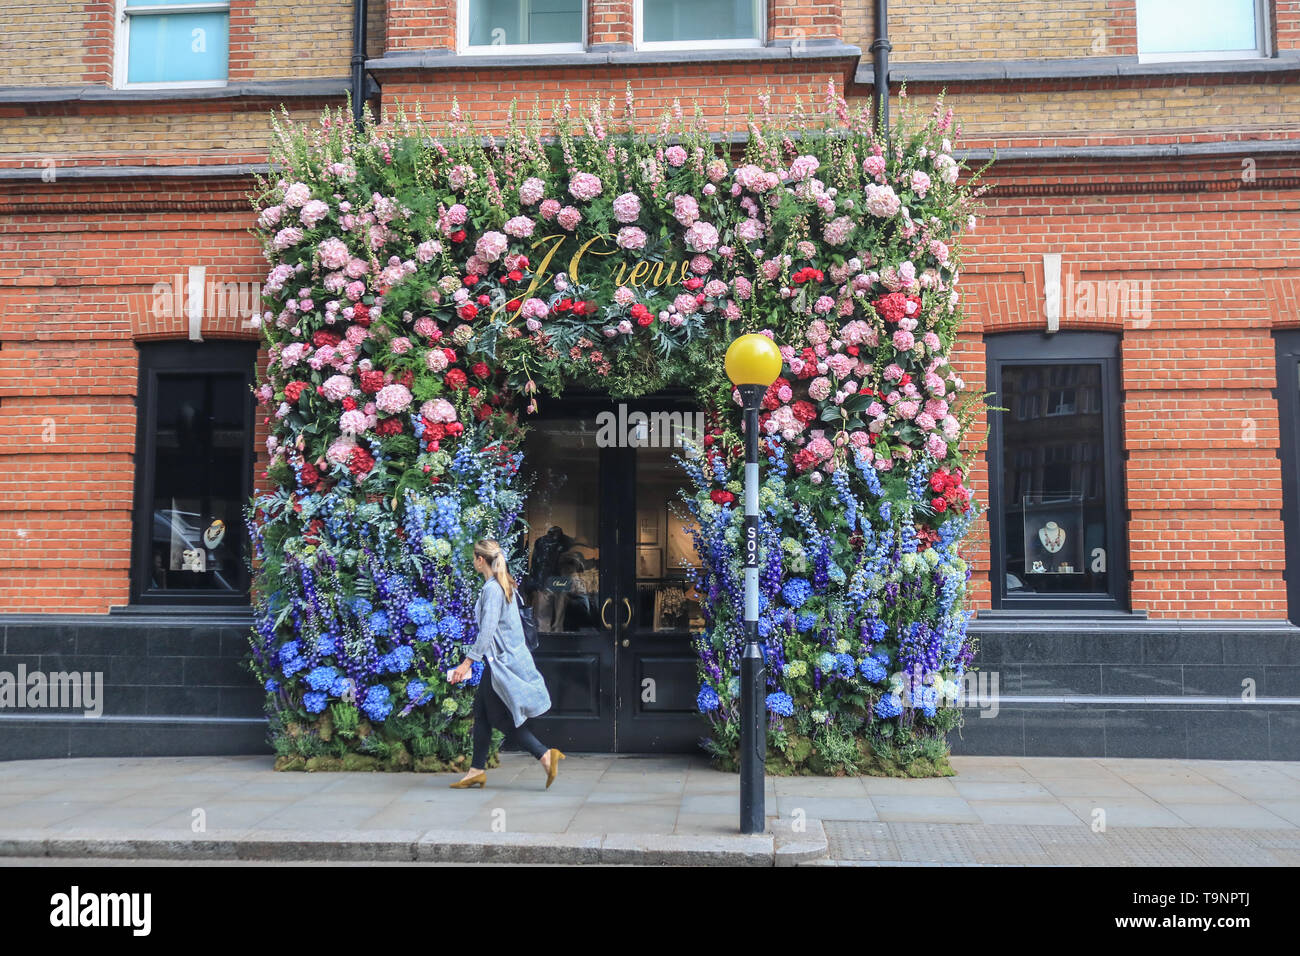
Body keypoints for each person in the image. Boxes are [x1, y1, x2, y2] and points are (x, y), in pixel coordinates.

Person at [447, 539, 564, 789]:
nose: (473, 561)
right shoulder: (505, 583)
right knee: (482, 714)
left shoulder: (492, 589)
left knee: (499, 718)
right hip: (501, 660)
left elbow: (487, 631)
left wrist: (466, 663)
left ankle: (545, 755)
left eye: (474, 557)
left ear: (481, 560)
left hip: (499, 662)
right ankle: (476, 770)